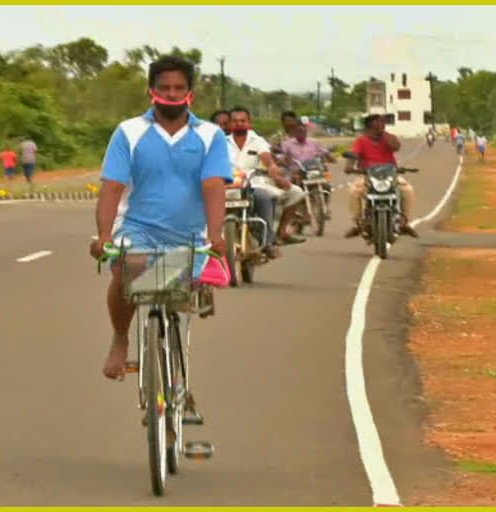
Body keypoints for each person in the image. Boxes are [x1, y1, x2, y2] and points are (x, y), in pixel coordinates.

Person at [89, 56, 232, 392]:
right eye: (164, 88)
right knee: (128, 268)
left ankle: (177, 378)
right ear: (151, 91)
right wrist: (104, 236)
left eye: (179, 88)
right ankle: (121, 338)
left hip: (191, 235)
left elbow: (213, 186)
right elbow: (112, 187)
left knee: (181, 292)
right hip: (138, 228)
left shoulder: (210, 135)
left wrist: (215, 236)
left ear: (190, 94)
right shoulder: (129, 132)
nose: (171, 94)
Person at [227, 107, 306, 257]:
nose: (239, 124)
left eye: (242, 121)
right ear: (230, 124)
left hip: (253, 183)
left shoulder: (257, 141)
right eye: (235, 121)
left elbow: (267, 158)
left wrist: (272, 168)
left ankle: (268, 240)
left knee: (264, 196)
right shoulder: (222, 142)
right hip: (228, 185)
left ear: (249, 123)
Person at [344, 114, 418, 238]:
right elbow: (353, 155)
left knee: (407, 190)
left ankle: (404, 223)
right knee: (354, 191)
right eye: (378, 122)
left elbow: (396, 147)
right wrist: (350, 166)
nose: (382, 124)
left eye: (383, 122)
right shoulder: (361, 140)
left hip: (390, 174)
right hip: (368, 175)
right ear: (370, 125)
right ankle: (358, 223)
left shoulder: (388, 138)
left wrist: (384, 135)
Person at [281, 122, 336, 216]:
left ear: (306, 132)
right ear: (294, 132)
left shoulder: (314, 143)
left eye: (303, 131)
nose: (301, 134)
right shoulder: (287, 144)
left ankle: (324, 208)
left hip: (313, 171)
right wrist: (284, 162)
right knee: (293, 189)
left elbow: (323, 152)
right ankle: (295, 212)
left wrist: (330, 157)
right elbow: (281, 156)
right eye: (299, 131)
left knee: (327, 184)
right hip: (296, 173)